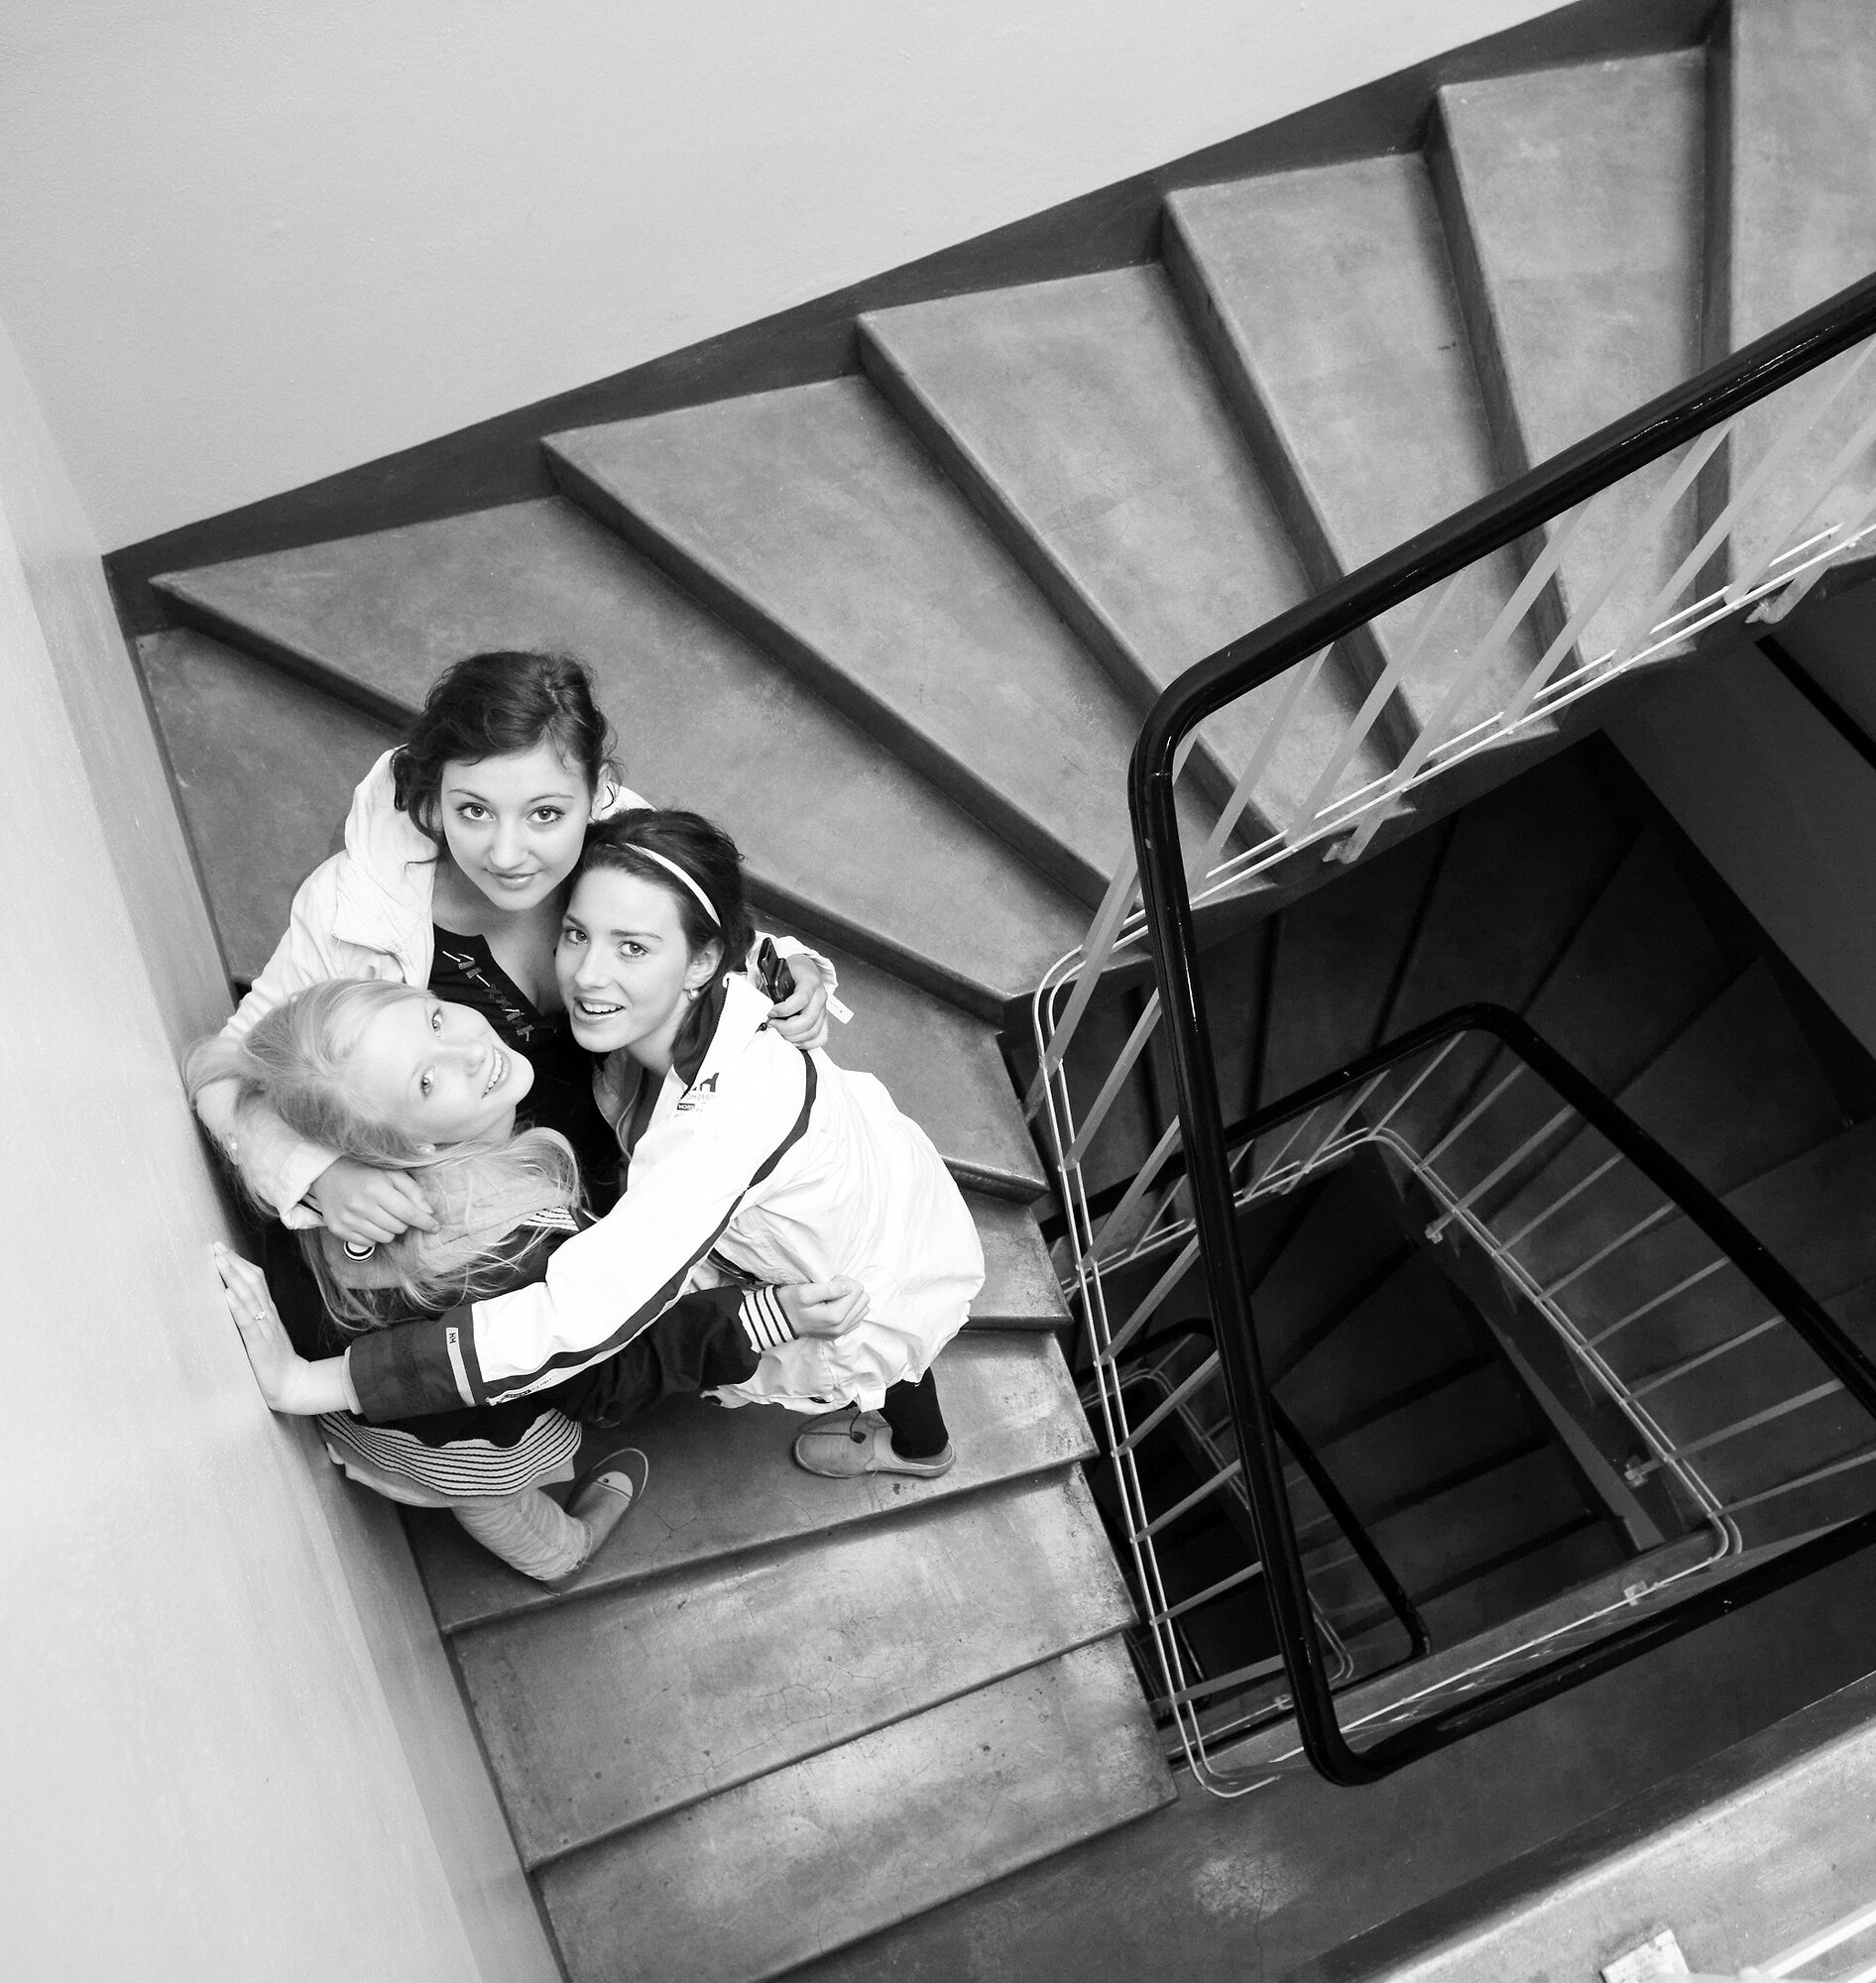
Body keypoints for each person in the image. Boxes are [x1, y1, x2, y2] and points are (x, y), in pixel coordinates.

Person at [212, 811, 984, 1479]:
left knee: (899, 1342)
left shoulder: (724, 1125)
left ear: (703, 960)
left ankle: (921, 1449)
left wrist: (315, 1385)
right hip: (860, 1183)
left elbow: (570, 1318)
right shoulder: (703, 994)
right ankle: (924, 1440)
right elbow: (704, 926)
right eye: (577, 934)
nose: (586, 975)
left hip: (850, 1268)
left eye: (632, 950)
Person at [196, 980, 872, 1580]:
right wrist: (759, 1319)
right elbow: (605, 1375)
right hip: (459, 1444)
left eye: (435, 1019)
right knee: (495, 1504)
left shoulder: (318, 1172)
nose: (468, 1051)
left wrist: (316, 1170)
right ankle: (564, 1554)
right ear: (401, 1147)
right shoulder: (506, 1257)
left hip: (371, 1402)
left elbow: (215, 1067)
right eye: (426, 1083)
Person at [191, 649, 840, 1248]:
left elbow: (692, 933)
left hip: (656, 1180)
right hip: (500, 1237)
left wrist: (787, 969)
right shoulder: (353, 909)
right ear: (433, 800)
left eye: (545, 815)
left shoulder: (621, 848)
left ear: (598, 794)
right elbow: (222, 1070)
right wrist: (319, 1173)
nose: (506, 855)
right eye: (474, 811)